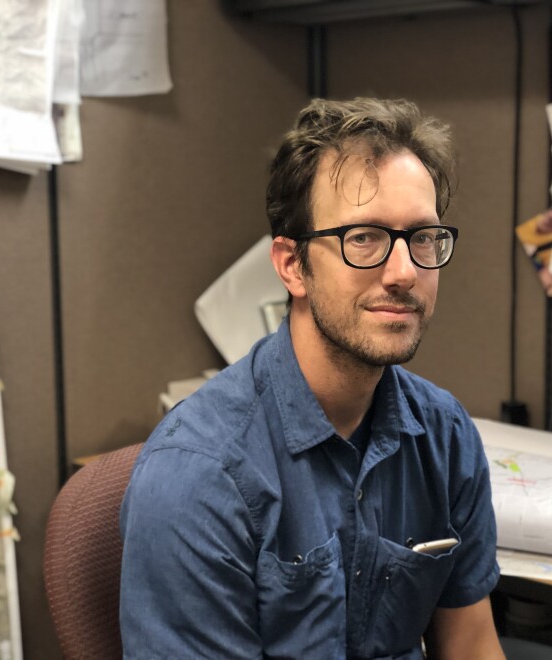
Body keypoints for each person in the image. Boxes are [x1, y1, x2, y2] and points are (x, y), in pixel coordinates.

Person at [119, 97, 503, 659]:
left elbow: (470, 644)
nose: (403, 273)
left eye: (422, 238)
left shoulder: (444, 436)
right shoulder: (197, 478)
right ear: (292, 265)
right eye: (364, 238)